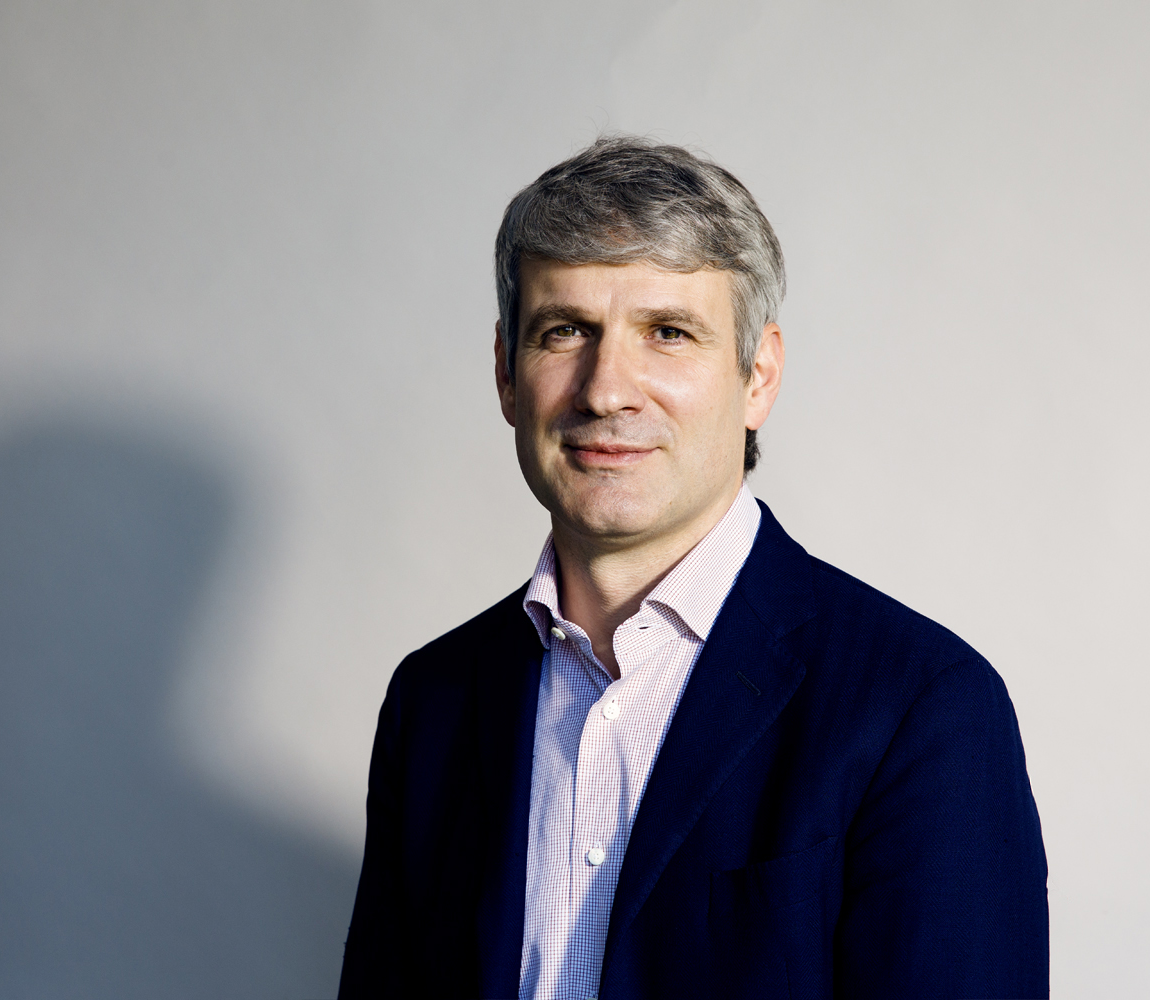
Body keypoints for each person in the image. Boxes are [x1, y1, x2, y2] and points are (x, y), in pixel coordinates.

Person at [337, 136, 1048, 1000]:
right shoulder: (433, 702)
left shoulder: (922, 706)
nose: (606, 389)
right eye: (565, 332)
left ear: (759, 376)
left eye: (667, 333)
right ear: (506, 376)